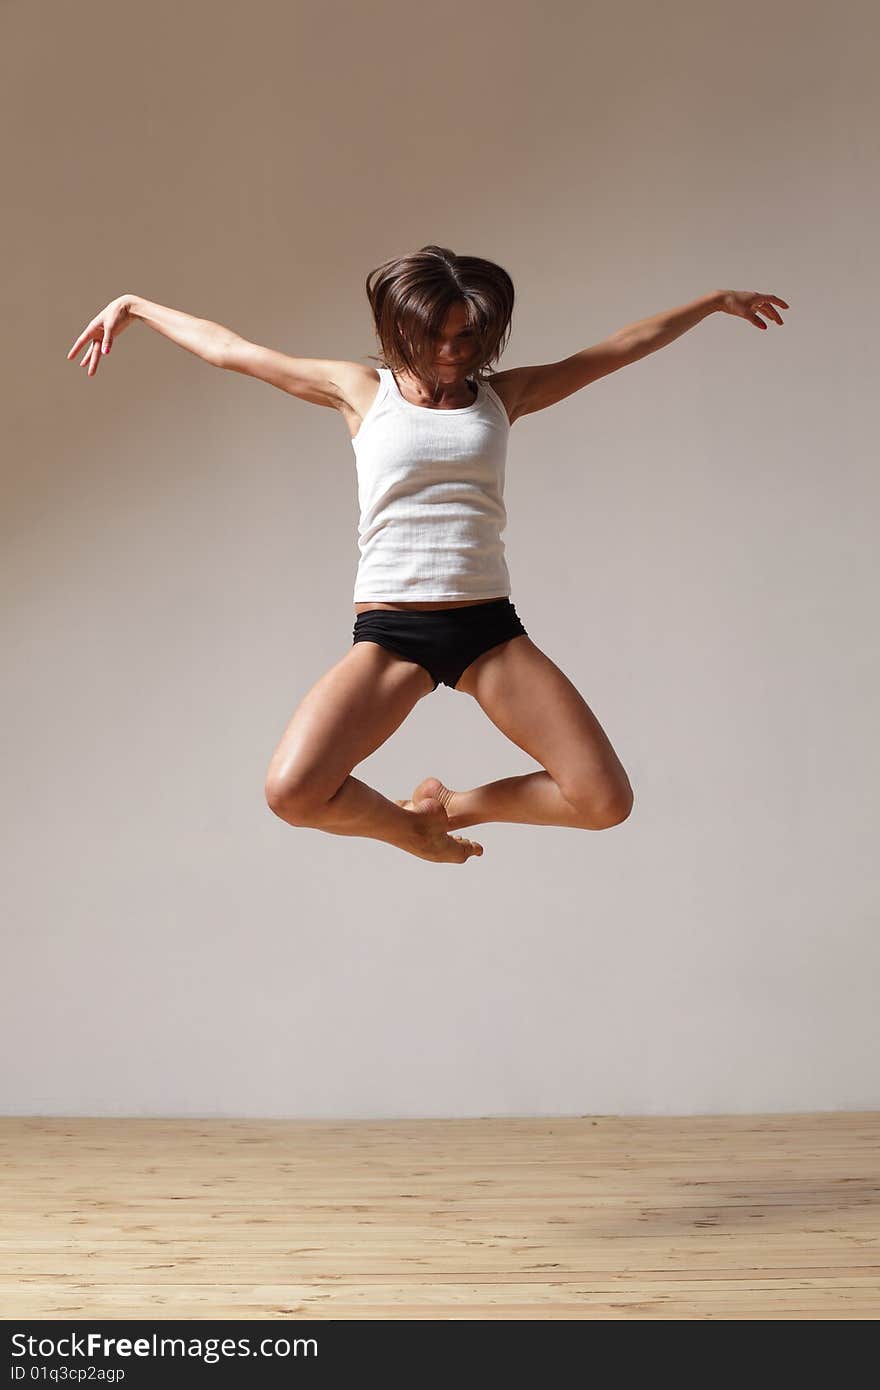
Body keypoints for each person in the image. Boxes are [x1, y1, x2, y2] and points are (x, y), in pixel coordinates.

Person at [67, 245, 788, 865]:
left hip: (489, 633)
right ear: (402, 331)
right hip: (392, 635)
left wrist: (712, 302)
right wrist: (135, 306)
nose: (453, 352)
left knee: (603, 800)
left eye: (468, 337)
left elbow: (620, 347)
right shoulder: (359, 391)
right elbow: (234, 352)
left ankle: (453, 808)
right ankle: (413, 832)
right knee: (292, 791)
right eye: (437, 337)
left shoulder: (506, 397)